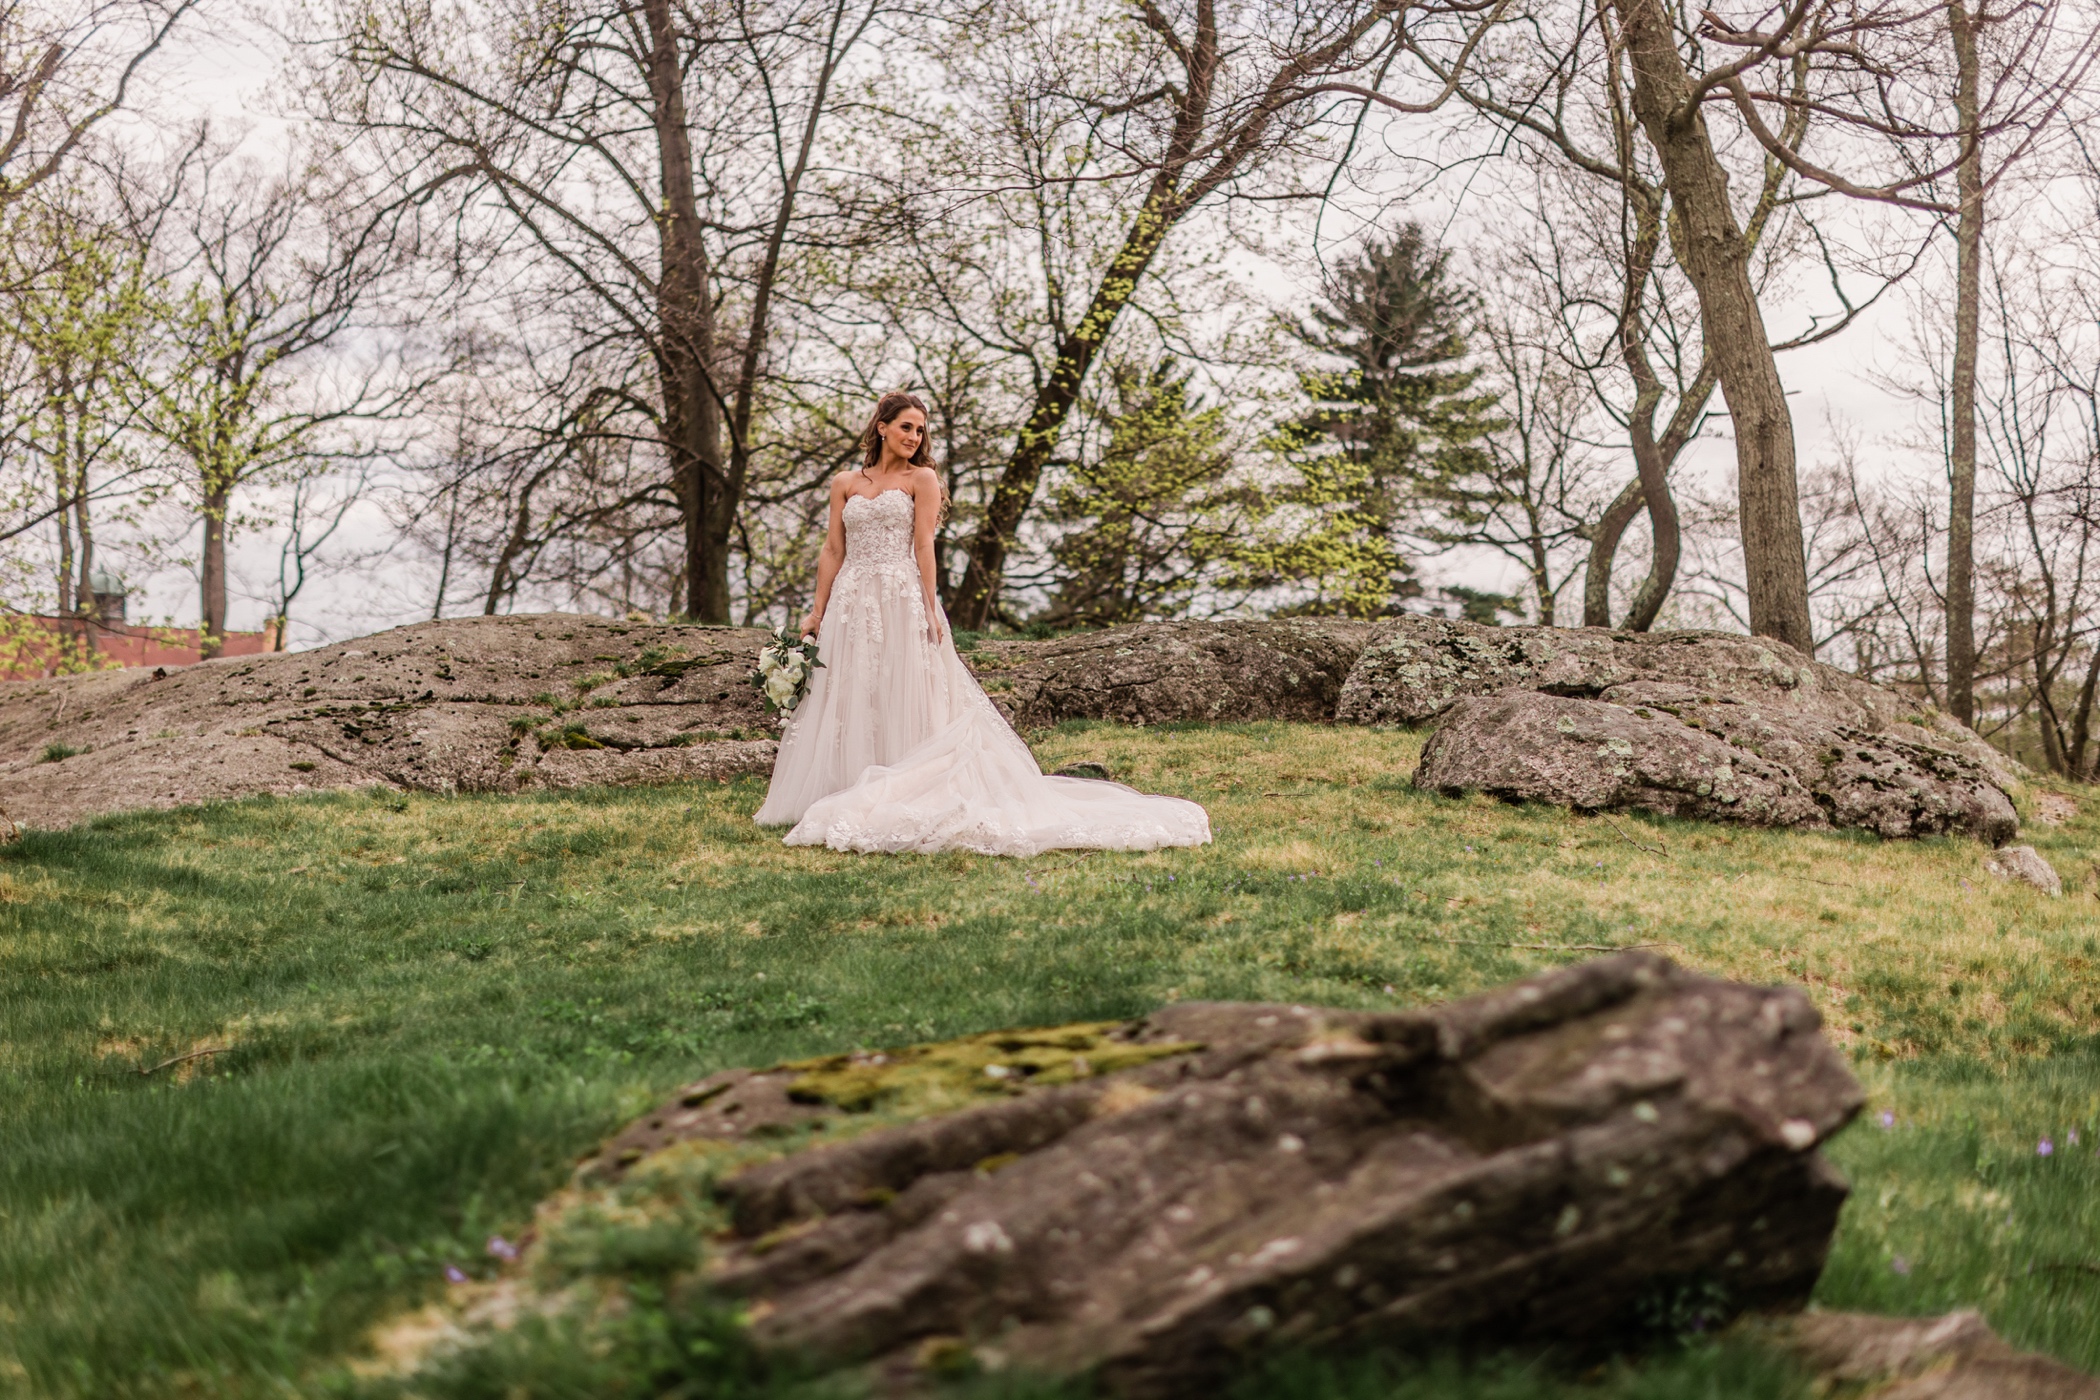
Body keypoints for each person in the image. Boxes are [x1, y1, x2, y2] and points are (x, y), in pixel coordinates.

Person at [752, 389, 1212, 856]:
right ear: (882, 426)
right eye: (907, 426)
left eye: (921, 429)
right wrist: (817, 611)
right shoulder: (844, 482)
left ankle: (906, 784)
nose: (915, 436)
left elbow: (924, 546)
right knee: (852, 688)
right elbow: (833, 549)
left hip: (901, 595)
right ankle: (841, 786)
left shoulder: (923, 479)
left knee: (906, 685)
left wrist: (929, 607)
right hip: (852, 599)